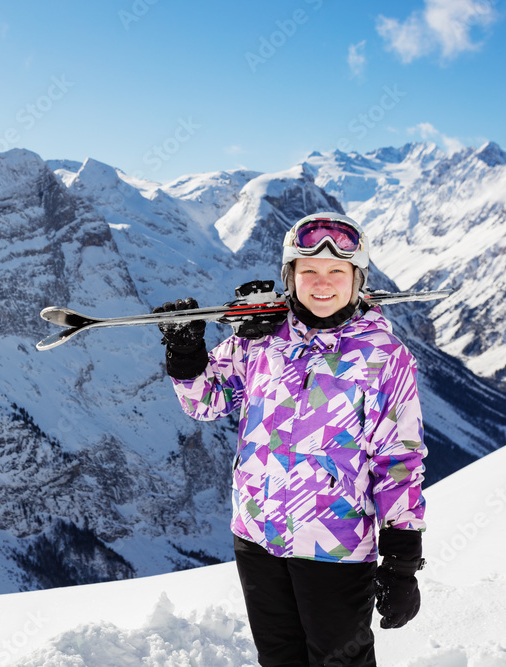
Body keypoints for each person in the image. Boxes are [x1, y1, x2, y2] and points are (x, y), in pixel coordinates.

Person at [154, 212, 427, 667]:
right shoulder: (258, 339)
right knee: (278, 660)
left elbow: (397, 460)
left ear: (357, 278)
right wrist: (186, 354)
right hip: (257, 536)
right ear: (290, 277)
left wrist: (401, 560)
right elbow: (205, 402)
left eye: (337, 271)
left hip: (334, 545)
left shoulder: (383, 356)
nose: (323, 283)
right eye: (309, 271)